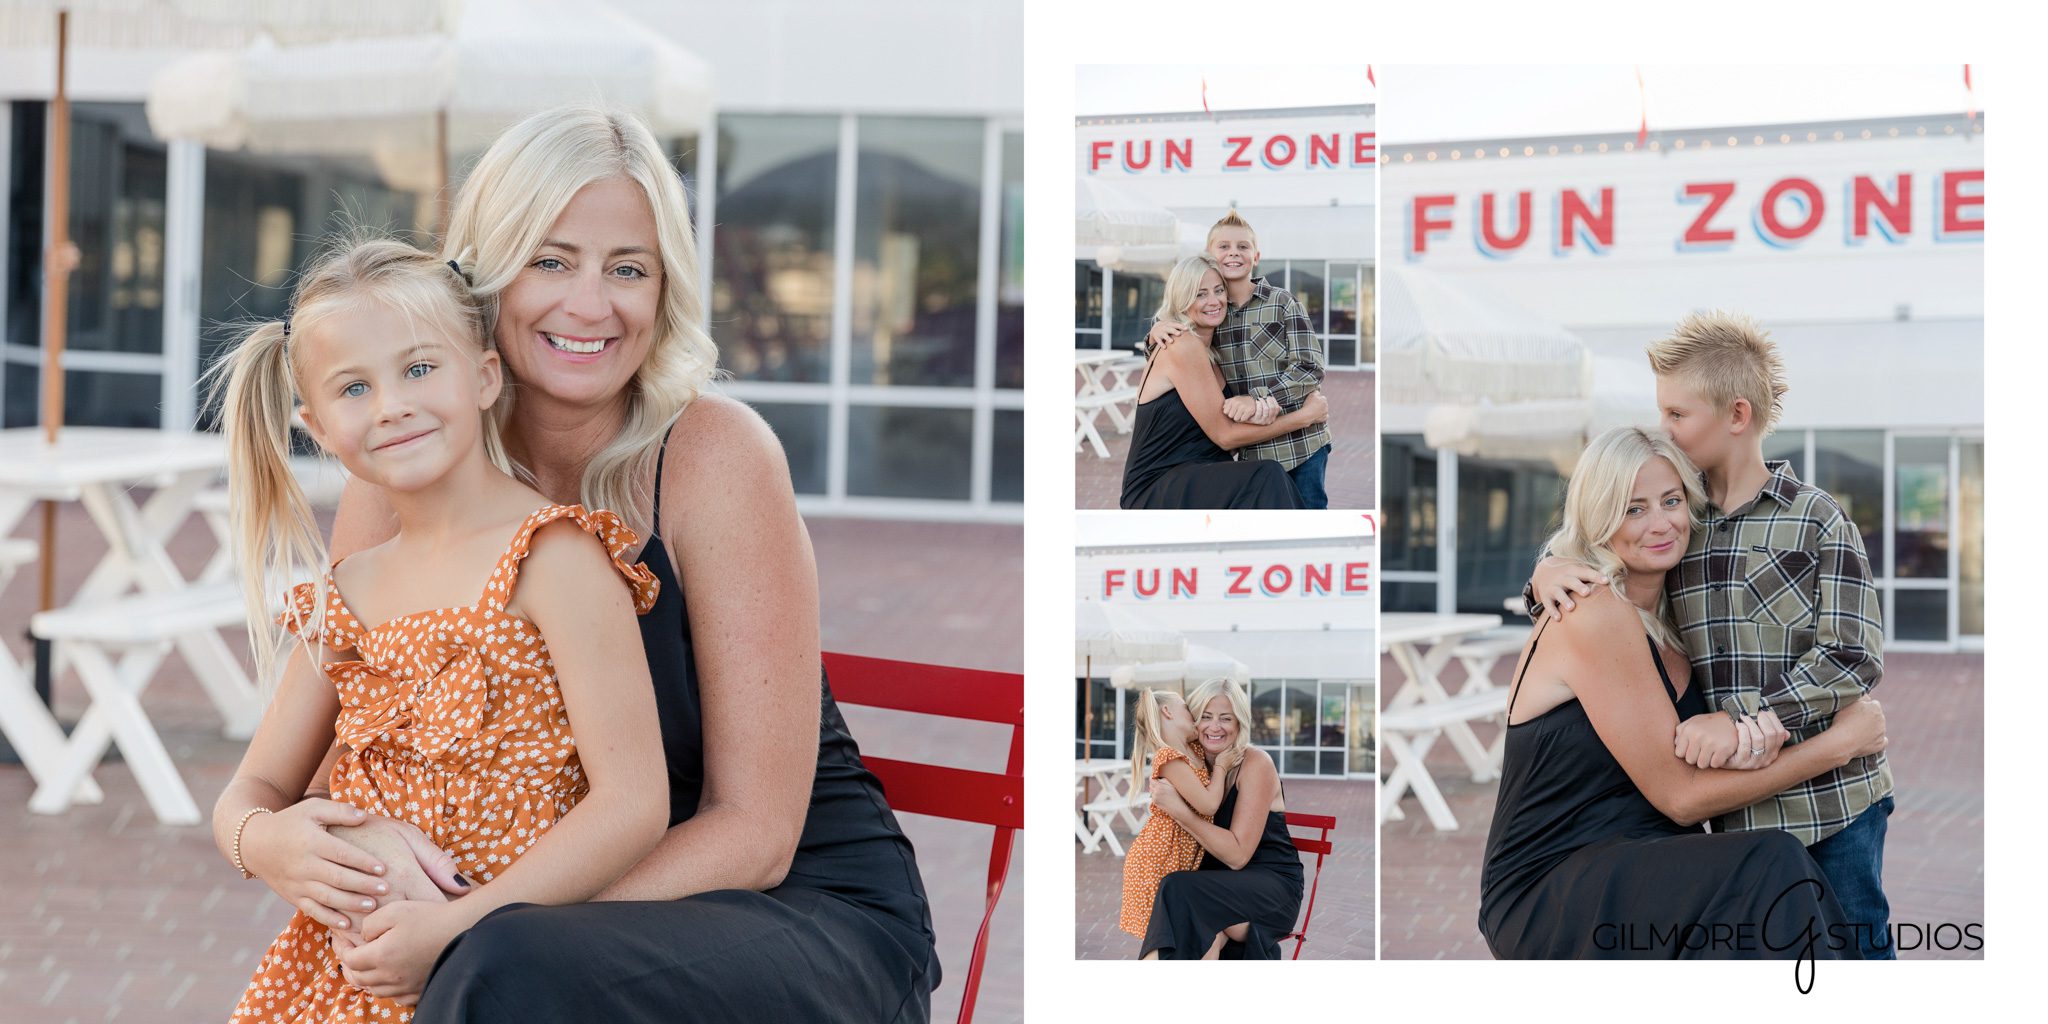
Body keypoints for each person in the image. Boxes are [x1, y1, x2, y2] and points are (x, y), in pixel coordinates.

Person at [271, 107, 939, 1020]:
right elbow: (342, 758)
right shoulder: (407, 459)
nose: (592, 305)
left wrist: (474, 921)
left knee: (505, 972)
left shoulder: (715, 457)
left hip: (796, 915)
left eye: (628, 270)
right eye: (550, 261)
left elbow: (757, 835)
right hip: (521, 921)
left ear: (665, 291)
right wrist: (342, 852)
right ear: (484, 276)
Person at [210, 236, 672, 1022]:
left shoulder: (553, 556)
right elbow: (249, 792)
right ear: (318, 427)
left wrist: (458, 927)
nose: (391, 404)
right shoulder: (346, 592)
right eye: (353, 389)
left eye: (420, 369)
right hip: (352, 969)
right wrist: (268, 844)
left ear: (485, 376)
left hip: (502, 963)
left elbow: (634, 804)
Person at [1528, 312, 1895, 959]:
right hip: (1735, 813)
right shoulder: (1677, 519)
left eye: (1676, 414)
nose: (1661, 429)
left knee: (1853, 957)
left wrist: (1747, 719)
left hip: (1832, 807)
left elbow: (1852, 655)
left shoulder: (1816, 519)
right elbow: (1607, 573)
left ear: (1736, 414)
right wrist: (1547, 569)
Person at [1144, 210, 1334, 507]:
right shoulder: (1212, 314)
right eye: (1224, 247)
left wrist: (1258, 399)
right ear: (1210, 256)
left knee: (1307, 520)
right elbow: (1173, 351)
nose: (1234, 253)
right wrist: (1153, 332)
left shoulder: (1282, 303)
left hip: (1301, 446)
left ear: (1255, 255)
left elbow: (1309, 368)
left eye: (1243, 247)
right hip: (1251, 449)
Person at [1141, 678, 1304, 960]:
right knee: (1200, 927)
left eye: (1225, 719)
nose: (1214, 727)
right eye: (1205, 717)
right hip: (1217, 887)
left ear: (1239, 723)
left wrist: (1178, 811)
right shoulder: (1198, 767)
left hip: (1271, 889)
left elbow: (1238, 856)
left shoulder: (1255, 763)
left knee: (1178, 888)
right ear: (1193, 720)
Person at [1117, 688, 1237, 941]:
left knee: (1179, 936)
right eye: (1186, 708)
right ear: (1168, 712)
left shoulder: (1194, 750)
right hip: (1157, 861)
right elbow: (1207, 805)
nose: (1194, 716)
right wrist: (1223, 767)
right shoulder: (1169, 757)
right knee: (1163, 939)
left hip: (1177, 857)